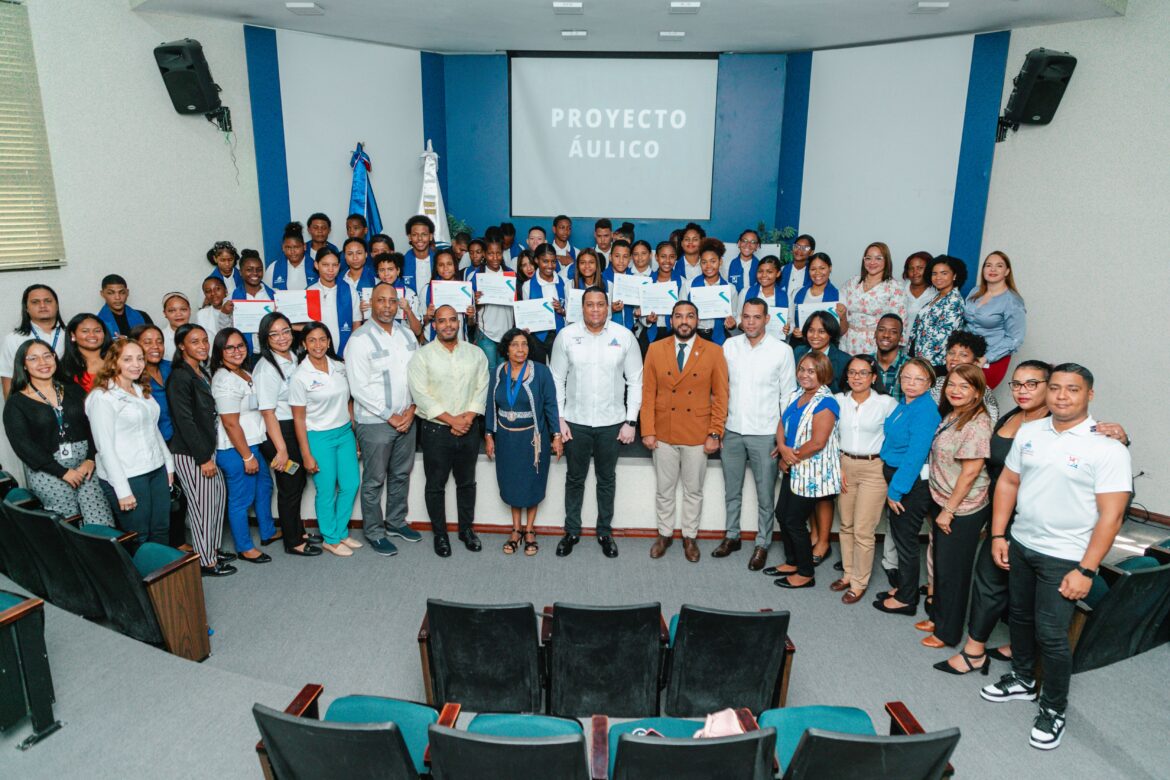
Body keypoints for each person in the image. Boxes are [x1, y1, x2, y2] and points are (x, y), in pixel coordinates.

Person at [934, 362, 1129, 674]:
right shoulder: (1015, 416)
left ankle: (979, 650)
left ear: (1048, 387)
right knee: (998, 579)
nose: (1022, 391)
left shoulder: (1058, 423)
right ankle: (992, 647)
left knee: (998, 579)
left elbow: (1093, 451)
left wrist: (1122, 436)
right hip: (997, 504)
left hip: (1032, 513)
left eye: (1032, 384)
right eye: (1017, 384)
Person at [980, 364, 1132, 751]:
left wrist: (1086, 568)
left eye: (1073, 389)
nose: (1062, 396)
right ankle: (1022, 678)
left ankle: (1053, 708)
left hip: (1065, 557)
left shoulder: (1107, 447)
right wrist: (1000, 534)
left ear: (1089, 396)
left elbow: (1111, 516)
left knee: (1051, 634)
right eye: (1056, 388)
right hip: (1023, 543)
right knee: (1019, 617)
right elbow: (1009, 483)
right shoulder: (1030, 432)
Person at [550, 286, 642, 559]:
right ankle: (572, 531)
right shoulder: (566, 336)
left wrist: (631, 421)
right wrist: (560, 419)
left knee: (606, 479)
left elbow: (636, 380)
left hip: (611, 422)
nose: (595, 310)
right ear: (582, 307)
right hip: (575, 422)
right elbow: (557, 379)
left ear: (608, 306)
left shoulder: (623, 337)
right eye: (589, 305)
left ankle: (604, 531)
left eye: (600, 304)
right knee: (574, 479)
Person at [642, 300, 729, 563]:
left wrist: (715, 433)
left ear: (697, 320)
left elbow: (721, 396)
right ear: (671, 321)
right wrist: (647, 429)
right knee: (664, 489)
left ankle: (690, 537)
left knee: (693, 490)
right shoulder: (656, 349)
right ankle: (665, 534)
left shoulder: (713, 352)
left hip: (697, 433)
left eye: (690, 316)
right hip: (664, 432)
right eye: (678, 316)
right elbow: (647, 394)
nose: (684, 321)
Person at [715, 297, 796, 568]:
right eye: (746, 316)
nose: (750, 322)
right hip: (733, 430)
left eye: (756, 317)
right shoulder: (729, 346)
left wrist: (783, 439)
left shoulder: (781, 351)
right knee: (732, 490)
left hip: (766, 433)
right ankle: (732, 536)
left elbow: (788, 398)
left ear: (767, 319)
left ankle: (762, 543)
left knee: (764, 494)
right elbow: (720, 390)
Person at [406, 305, 490, 557]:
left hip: (469, 427)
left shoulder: (475, 354)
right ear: (435, 325)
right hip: (436, 431)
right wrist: (452, 420)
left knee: (467, 483)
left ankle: (466, 530)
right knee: (435, 485)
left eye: (453, 320)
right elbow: (421, 395)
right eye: (442, 321)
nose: (448, 325)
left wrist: (468, 417)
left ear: (459, 322)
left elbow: (482, 386)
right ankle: (440, 535)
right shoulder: (422, 356)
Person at [346, 284, 422, 557]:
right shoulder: (359, 339)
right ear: (371, 303)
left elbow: (418, 375)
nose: (388, 306)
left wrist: (412, 409)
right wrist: (391, 416)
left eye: (392, 301)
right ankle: (375, 532)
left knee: (401, 474)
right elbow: (358, 388)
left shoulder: (406, 335)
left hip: (407, 418)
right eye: (382, 301)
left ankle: (396, 522)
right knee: (375, 479)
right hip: (377, 422)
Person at [921, 364, 992, 648]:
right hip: (943, 500)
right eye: (952, 384)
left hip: (961, 508)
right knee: (940, 566)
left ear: (977, 391)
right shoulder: (954, 414)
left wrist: (949, 510)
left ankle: (947, 633)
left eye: (964, 386)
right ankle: (937, 618)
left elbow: (971, 472)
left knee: (954, 572)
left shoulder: (977, 424)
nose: (956, 390)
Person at [3, 339, 112, 524]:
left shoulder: (73, 389)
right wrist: (62, 472)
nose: (43, 362)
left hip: (85, 467)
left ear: (55, 358)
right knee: (67, 524)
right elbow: (23, 445)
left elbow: (93, 425)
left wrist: (90, 458)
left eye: (47, 356)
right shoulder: (16, 403)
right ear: (24, 365)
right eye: (34, 358)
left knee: (100, 520)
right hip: (49, 472)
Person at [765, 351, 841, 589]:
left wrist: (789, 457)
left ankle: (806, 573)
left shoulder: (826, 402)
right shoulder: (796, 394)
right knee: (782, 515)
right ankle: (792, 562)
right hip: (793, 467)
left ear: (823, 373)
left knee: (794, 521)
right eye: (802, 370)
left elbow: (818, 442)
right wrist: (781, 445)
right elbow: (782, 421)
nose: (805, 375)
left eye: (811, 371)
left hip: (811, 472)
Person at [86, 338, 174, 544]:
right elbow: (104, 448)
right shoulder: (103, 398)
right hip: (128, 475)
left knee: (161, 529)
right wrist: (122, 491)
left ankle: (161, 576)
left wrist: (168, 463)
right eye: (127, 359)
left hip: (155, 468)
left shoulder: (140, 389)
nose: (136, 364)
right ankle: (141, 577)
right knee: (139, 536)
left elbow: (153, 428)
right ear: (114, 362)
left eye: (140, 358)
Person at [484, 329, 563, 556]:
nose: (521, 349)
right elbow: (491, 405)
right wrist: (489, 435)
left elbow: (550, 405)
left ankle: (529, 530)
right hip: (507, 440)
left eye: (525, 345)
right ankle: (515, 529)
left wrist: (556, 436)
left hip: (533, 441)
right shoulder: (498, 372)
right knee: (511, 483)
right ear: (506, 349)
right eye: (515, 345)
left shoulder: (541, 372)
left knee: (532, 483)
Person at [874, 358, 940, 616]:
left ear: (930, 383)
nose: (911, 384)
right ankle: (905, 587)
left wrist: (895, 490)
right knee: (901, 537)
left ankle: (907, 599)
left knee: (906, 542)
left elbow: (915, 455)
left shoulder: (926, 411)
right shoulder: (906, 404)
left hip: (909, 484)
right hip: (898, 478)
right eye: (907, 378)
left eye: (919, 379)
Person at [289, 321, 361, 557]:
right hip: (318, 437)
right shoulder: (300, 376)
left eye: (322, 339)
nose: (318, 345)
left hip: (344, 433)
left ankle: (340, 532)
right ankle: (330, 538)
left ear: (329, 342)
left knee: (350, 485)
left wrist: (354, 433)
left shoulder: (339, 366)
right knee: (327, 490)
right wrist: (306, 453)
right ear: (304, 344)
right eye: (312, 340)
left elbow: (349, 401)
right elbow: (298, 419)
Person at [167, 324, 233, 576]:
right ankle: (206, 561)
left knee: (215, 501)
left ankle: (212, 549)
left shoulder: (200, 371)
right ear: (182, 346)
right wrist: (204, 458)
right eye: (195, 342)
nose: (203, 346)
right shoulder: (180, 376)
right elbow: (184, 421)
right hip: (192, 453)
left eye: (205, 340)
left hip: (207, 447)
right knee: (202, 507)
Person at [253, 313, 321, 557]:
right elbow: (268, 413)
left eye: (285, 331)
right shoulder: (266, 369)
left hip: (294, 428)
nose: (281, 338)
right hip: (278, 433)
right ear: (265, 338)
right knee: (290, 484)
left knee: (299, 481)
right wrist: (281, 449)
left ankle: (297, 530)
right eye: (274, 333)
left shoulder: (294, 356)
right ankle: (293, 541)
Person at [832, 355, 897, 603]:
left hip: (874, 468)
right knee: (846, 524)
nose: (857, 377)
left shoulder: (886, 403)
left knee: (863, 529)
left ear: (873, 377)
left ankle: (859, 582)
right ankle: (848, 573)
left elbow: (897, 438)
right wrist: (838, 465)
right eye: (852, 372)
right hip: (845, 465)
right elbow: (831, 437)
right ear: (846, 376)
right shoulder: (838, 401)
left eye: (863, 373)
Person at [210, 328, 275, 564]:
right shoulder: (224, 379)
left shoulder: (243, 372)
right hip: (236, 449)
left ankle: (267, 532)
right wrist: (247, 457)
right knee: (241, 499)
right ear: (220, 352)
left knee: (264, 487)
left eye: (240, 346)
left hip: (253, 443)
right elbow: (230, 423)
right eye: (229, 347)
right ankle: (244, 547)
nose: (236, 351)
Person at [964, 251, 1026, 389]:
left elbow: (1015, 339)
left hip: (991, 359)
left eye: (999, 266)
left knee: (977, 398)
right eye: (988, 265)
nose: (992, 269)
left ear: (1007, 271)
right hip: (968, 355)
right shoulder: (975, 291)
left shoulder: (1012, 301)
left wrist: (986, 357)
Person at [838, 242, 908, 355]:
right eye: (868, 258)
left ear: (886, 261)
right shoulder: (852, 282)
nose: (872, 262)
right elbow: (839, 312)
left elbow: (900, 322)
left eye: (878, 258)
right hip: (847, 342)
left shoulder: (895, 287)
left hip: (876, 345)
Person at [1, 284, 67, 398]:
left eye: (48, 301)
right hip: (31, 404)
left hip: (71, 399)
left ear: (56, 305)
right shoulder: (14, 339)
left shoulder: (73, 333)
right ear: (26, 308)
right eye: (35, 302)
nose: (42, 305)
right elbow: (8, 378)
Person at [909, 255, 966, 373]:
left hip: (934, 364)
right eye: (934, 273)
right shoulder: (938, 296)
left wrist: (922, 363)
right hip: (921, 360)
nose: (938, 277)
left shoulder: (954, 300)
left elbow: (943, 336)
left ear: (954, 275)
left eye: (944, 273)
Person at [929, 331, 1001, 425]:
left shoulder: (983, 393)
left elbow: (990, 426)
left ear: (976, 362)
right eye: (951, 353)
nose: (955, 358)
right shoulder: (936, 382)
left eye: (963, 355)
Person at [471, 238, 516, 375]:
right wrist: (476, 301)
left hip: (506, 331)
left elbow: (516, 303)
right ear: (484, 254)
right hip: (486, 332)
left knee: (505, 370)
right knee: (490, 371)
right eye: (491, 253)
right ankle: (491, 397)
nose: (495, 257)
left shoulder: (510, 274)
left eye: (498, 253)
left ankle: (502, 397)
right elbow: (470, 309)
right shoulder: (477, 276)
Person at [682, 238, 738, 345]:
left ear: (720, 261)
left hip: (720, 336)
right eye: (704, 262)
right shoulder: (688, 285)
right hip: (694, 336)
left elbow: (733, 315)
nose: (708, 266)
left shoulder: (730, 288)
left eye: (713, 261)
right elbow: (680, 312)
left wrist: (731, 323)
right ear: (700, 263)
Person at [307, 247, 359, 355]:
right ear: (316, 265)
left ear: (339, 266)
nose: (331, 269)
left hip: (345, 351)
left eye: (335, 265)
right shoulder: (310, 291)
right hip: (318, 351)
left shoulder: (349, 290)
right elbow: (307, 325)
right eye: (325, 265)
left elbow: (356, 323)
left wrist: (351, 349)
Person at [522, 243, 567, 364]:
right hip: (537, 337)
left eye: (553, 262)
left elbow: (570, 312)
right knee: (538, 369)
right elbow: (526, 312)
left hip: (559, 334)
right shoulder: (528, 286)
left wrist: (561, 310)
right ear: (536, 260)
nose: (550, 266)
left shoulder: (564, 282)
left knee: (559, 369)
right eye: (545, 261)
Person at [130, 324, 174, 443]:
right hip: (151, 444)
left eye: (159, 342)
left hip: (180, 441)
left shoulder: (172, 368)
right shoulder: (132, 376)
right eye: (148, 342)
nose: (155, 347)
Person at [422, 248, 476, 342]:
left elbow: (470, 324)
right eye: (441, 265)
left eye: (449, 264)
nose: (445, 268)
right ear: (436, 268)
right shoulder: (427, 290)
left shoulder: (466, 290)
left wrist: (471, 316)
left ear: (455, 266)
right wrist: (428, 316)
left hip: (460, 343)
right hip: (433, 343)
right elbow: (420, 323)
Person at [638, 242, 683, 350]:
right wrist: (647, 320)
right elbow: (639, 309)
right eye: (663, 256)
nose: (667, 261)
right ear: (656, 257)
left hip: (674, 333)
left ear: (676, 258)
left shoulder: (683, 282)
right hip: (651, 333)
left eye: (671, 257)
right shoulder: (646, 281)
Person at [793, 311, 851, 393]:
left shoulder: (843, 360)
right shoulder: (798, 351)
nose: (815, 336)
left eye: (821, 332)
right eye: (811, 330)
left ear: (831, 333)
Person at [231, 251, 277, 353]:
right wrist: (225, 313)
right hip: (246, 353)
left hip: (272, 350)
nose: (255, 273)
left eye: (259, 269)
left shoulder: (274, 295)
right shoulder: (232, 297)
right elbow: (226, 328)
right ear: (240, 272)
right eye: (249, 270)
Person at [789, 253, 838, 343]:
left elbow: (840, 329)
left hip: (825, 345)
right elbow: (790, 320)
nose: (817, 273)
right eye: (813, 269)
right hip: (799, 343)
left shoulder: (838, 295)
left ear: (830, 268)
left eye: (822, 268)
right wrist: (793, 330)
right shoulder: (797, 292)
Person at [740, 256, 789, 341]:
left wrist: (788, 328)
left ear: (778, 273)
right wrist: (744, 325)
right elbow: (738, 317)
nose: (764, 275)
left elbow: (790, 322)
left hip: (775, 342)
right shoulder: (745, 292)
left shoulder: (786, 297)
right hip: (749, 340)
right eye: (760, 271)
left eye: (769, 272)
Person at [61, 313, 110, 392]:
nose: (92, 335)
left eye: (97, 331)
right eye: (85, 331)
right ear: (73, 335)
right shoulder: (64, 369)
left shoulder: (117, 361)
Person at [266, 221, 318, 290]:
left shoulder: (316, 267)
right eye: (288, 247)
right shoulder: (273, 267)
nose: (292, 251)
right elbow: (266, 292)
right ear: (283, 248)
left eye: (296, 247)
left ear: (304, 246)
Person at [97, 274, 153, 338]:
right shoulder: (97, 322)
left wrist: (128, 342)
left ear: (127, 292)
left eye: (122, 292)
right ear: (102, 294)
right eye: (111, 293)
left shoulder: (143, 316)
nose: (117, 297)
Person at [872, 314, 910, 402]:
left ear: (901, 338)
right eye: (881, 330)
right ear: (875, 334)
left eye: (893, 332)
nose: (886, 335)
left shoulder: (911, 366)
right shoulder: (865, 363)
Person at [342, 237, 378, 324]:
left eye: (359, 253)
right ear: (345, 256)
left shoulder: (376, 281)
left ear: (366, 254)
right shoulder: (338, 280)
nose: (355, 258)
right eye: (350, 254)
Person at [901, 251, 935, 340]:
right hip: (900, 344)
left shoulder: (937, 294)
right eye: (911, 268)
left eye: (920, 268)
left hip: (925, 346)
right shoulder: (899, 290)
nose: (915, 272)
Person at [402, 215, 436, 295]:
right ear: (409, 237)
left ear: (430, 237)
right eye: (415, 235)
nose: (419, 238)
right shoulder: (401, 263)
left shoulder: (439, 261)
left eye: (424, 234)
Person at [196, 276, 233, 342]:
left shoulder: (236, 310)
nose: (213, 293)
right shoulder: (201, 314)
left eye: (217, 289)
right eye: (208, 291)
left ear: (226, 291)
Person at [158, 292, 191, 362]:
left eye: (183, 309)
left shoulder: (205, 334)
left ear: (190, 310)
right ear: (165, 313)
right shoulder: (159, 338)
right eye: (172, 311)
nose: (178, 314)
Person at [780, 234, 815, 298]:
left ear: (811, 252)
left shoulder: (813, 274)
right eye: (797, 246)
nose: (799, 250)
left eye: (805, 248)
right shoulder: (782, 270)